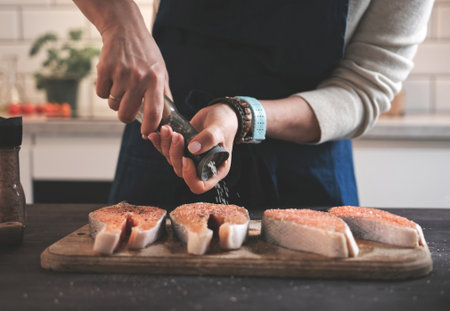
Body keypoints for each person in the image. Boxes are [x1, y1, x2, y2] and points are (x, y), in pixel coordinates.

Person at [74, 0, 433, 208]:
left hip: (305, 166)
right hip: (170, 141)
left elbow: (364, 87)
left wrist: (242, 115)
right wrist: (118, 22)